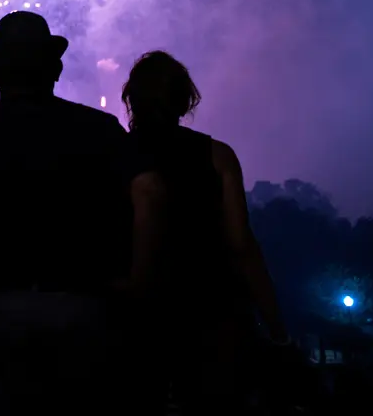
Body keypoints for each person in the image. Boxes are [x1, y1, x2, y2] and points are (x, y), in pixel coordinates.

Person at [0, 11, 164, 415]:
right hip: (88, 305)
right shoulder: (97, 128)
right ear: (54, 68)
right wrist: (140, 281)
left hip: (8, 308)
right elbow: (149, 190)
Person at [121, 50, 288, 413]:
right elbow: (241, 245)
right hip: (212, 312)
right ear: (184, 99)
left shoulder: (113, 156)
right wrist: (277, 328)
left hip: (136, 318)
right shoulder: (217, 156)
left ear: (132, 100)